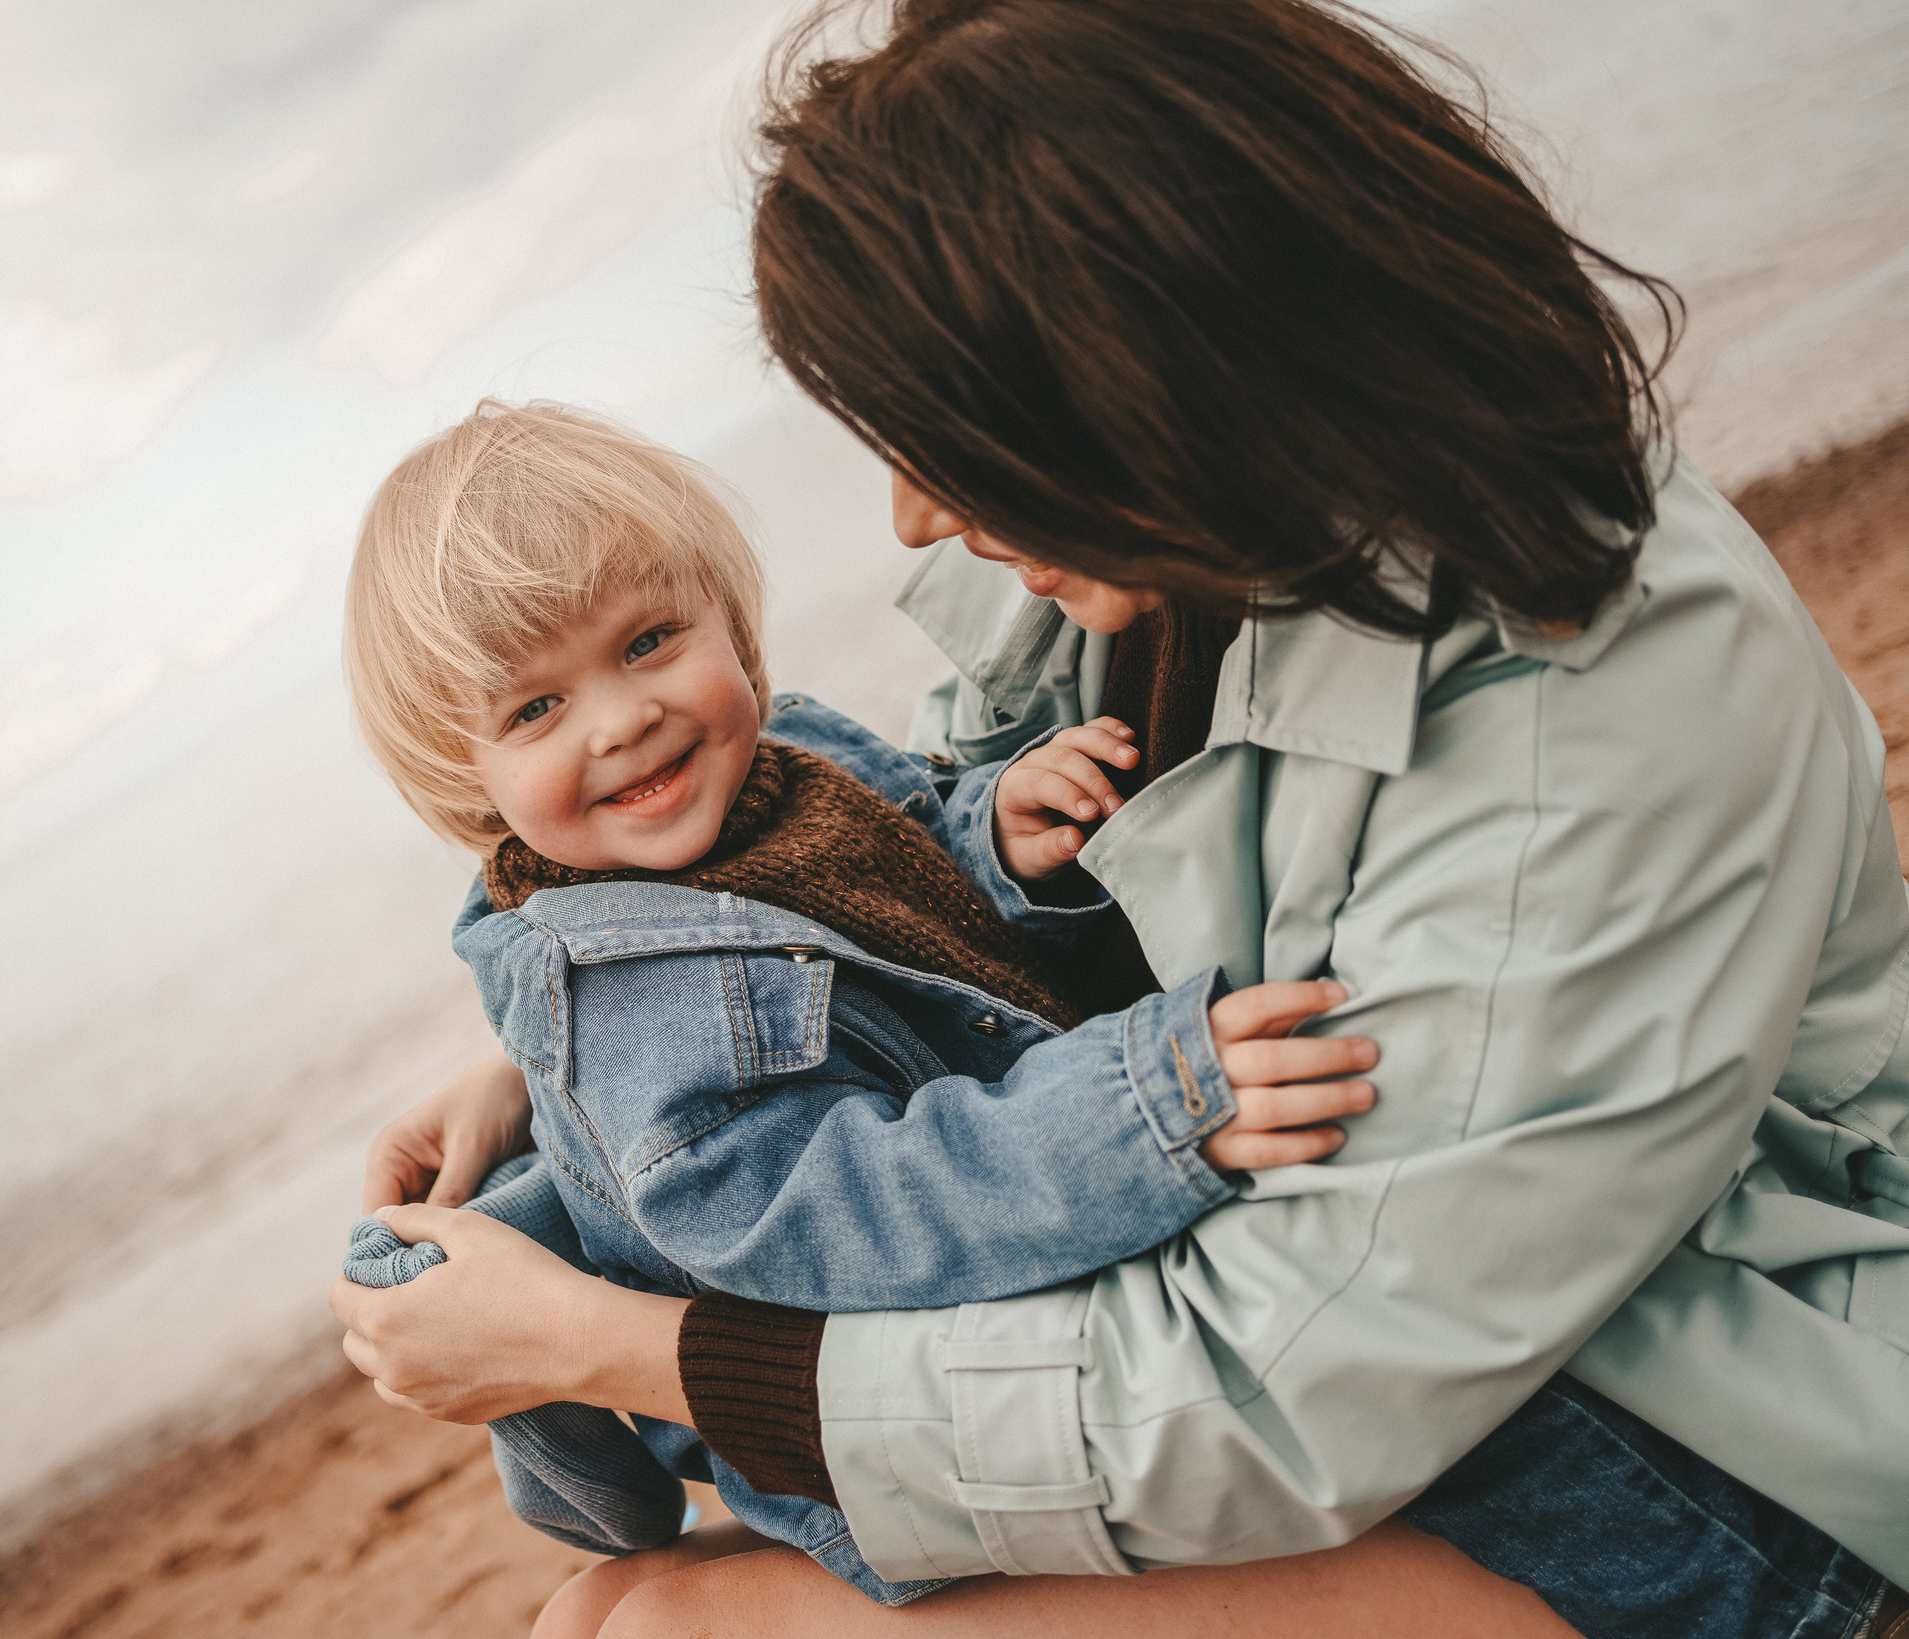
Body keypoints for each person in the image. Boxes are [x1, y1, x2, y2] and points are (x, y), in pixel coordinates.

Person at [330, 0, 1909, 1639]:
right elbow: (916, 892)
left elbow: (1267, 1391)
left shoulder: (1588, 717)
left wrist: (607, 1350)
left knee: (661, 1629)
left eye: (944, 433)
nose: (915, 520)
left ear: (1144, 365)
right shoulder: (1148, 562)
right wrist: (573, 1058)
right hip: (1411, 1401)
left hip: (1709, 1457)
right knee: (609, 1600)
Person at [337, 399, 1387, 1608]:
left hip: (1024, 1297)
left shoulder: (786, 770)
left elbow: (900, 889)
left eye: (647, 642)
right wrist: (1135, 1115)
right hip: (892, 1448)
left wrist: (992, 838)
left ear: (728, 621)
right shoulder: (627, 1011)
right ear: (461, 782)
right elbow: (856, 1205)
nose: (624, 719)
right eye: (535, 709)